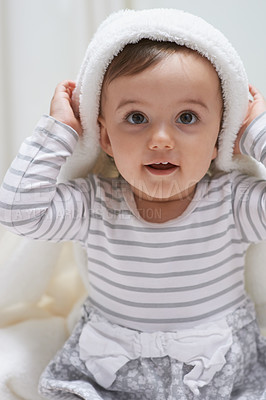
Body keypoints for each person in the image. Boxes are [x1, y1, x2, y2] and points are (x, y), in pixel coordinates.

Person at [0, 8, 266, 400]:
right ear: (104, 138)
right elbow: (19, 213)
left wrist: (255, 128)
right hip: (109, 369)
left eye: (187, 117)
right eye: (137, 117)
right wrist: (59, 132)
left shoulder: (232, 204)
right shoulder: (93, 204)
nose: (160, 139)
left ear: (219, 138)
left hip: (214, 370)